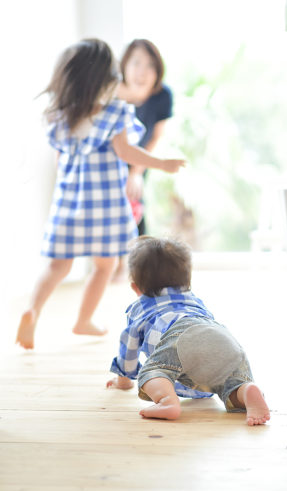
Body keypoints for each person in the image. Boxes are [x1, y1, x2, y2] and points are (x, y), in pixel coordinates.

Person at [15, 39, 185, 350]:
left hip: (68, 206)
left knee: (57, 267)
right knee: (105, 266)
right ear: (103, 79)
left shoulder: (59, 118)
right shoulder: (115, 113)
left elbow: (59, 159)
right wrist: (161, 163)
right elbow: (126, 151)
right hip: (105, 208)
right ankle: (84, 320)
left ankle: (32, 310)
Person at [106, 236, 270, 425]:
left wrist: (124, 379)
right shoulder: (194, 300)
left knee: (153, 371)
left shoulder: (141, 308)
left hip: (179, 334)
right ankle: (245, 390)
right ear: (187, 281)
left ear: (136, 288)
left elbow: (129, 345)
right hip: (220, 336)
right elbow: (202, 347)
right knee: (229, 382)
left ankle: (167, 401)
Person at [112, 39, 173, 281]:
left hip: (140, 159)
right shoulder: (111, 93)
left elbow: (155, 137)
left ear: (157, 71)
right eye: (136, 63)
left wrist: (136, 172)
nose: (142, 71)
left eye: (149, 65)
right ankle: (113, 267)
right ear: (124, 65)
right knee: (114, 213)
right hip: (110, 161)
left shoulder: (162, 96)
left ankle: (136, 270)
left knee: (136, 208)